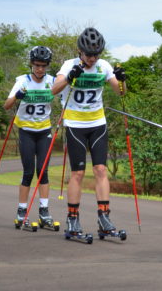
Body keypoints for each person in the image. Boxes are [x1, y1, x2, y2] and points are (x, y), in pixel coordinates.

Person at [51, 27, 126, 236]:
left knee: (101, 170)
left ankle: (104, 217)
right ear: (79, 52)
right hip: (75, 125)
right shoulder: (69, 65)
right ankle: (73, 219)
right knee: (78, 173)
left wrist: (122, 80)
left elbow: (120, 92)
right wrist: (69, 77)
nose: (92, 59)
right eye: (88, 54)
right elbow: (53, 90)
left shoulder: (103, 66)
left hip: (97, 124)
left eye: (96, 54)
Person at [3, 46, 56, 229]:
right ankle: (21, 212)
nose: (39, 69)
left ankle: (44, 211)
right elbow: (7, 105)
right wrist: (18, 96)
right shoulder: (22, 81)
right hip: (26, 131)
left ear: (47, 66)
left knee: (43, 171)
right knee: (28, 172)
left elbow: (66, 99)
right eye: (36, 65)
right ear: (31, 64)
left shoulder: (52, 81)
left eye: (43, 66)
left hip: (44, 131)